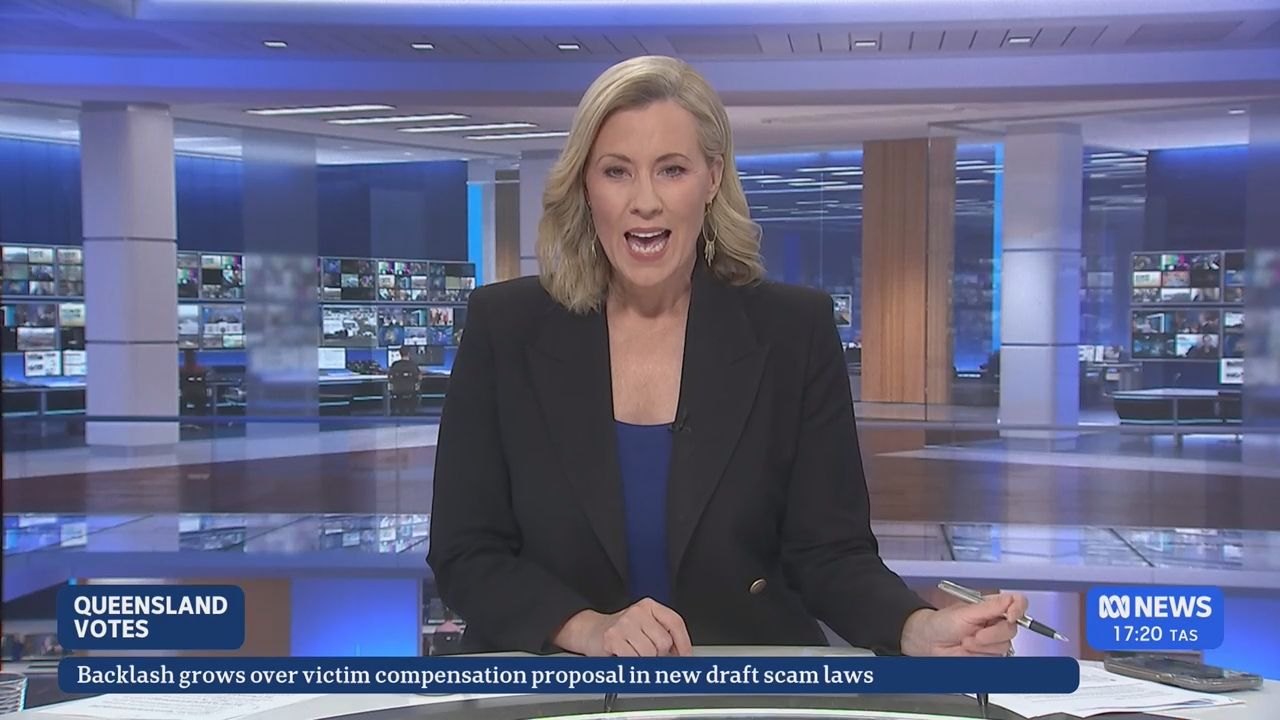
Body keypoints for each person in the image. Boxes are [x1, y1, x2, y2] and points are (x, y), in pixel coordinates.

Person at [428, 55, 1027, 658]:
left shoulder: (793, 332)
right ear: (586, 183)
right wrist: (587, 628)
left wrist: (917, 627)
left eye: (672, 170)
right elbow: (466, 551)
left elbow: (830, 554)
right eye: (616, 171)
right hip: (557, 685)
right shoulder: (505, 328)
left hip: (743, 683)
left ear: (712, 178)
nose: (645, 201)